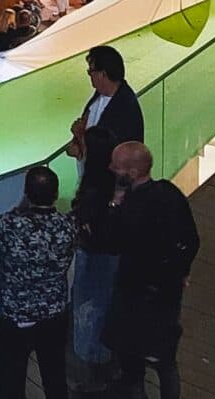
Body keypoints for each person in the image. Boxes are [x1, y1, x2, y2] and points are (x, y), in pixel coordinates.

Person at [69, 45, 144, 384]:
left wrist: (81, 142)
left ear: (103, 73)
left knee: (96, 286)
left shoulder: (125, 110)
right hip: (97, 198)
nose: (89, 77)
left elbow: (110, 155)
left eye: (92, 71)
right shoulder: (101, 100)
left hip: (102, 208)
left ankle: (95, 356)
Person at [103, 141, 201, 399]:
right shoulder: (170, 193)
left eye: (116, 165)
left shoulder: (130, 208)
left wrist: (115, 203)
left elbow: (112, 242)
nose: (111, 168)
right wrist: (182, 270)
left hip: (134, 295)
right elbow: (191, 240)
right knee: (166, 362)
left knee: (132, 362)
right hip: (167, 293)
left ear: (132, 173)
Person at [0, 164, 77, 399]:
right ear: (55, 194)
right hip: (54, 316)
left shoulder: (9, 225)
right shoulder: (68, 226)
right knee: (55, 378)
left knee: (11, 385)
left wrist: (16, 210)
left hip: (15, 318)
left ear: (26, 194)